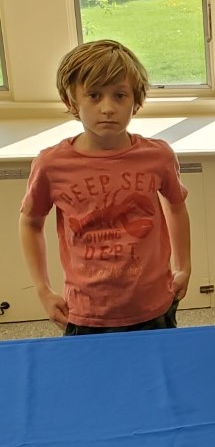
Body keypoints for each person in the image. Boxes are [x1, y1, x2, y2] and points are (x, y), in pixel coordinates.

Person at [19, 40, 191, 335]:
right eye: (94, 95)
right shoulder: (51, 164)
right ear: (72, 101)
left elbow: (176, 205)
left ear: (136, 100)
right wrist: (42, 289)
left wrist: (183, 266)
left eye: (120, 96)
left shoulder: (159, 156)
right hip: (86, 313)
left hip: (153, 306)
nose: (108, 108)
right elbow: (30, 223)